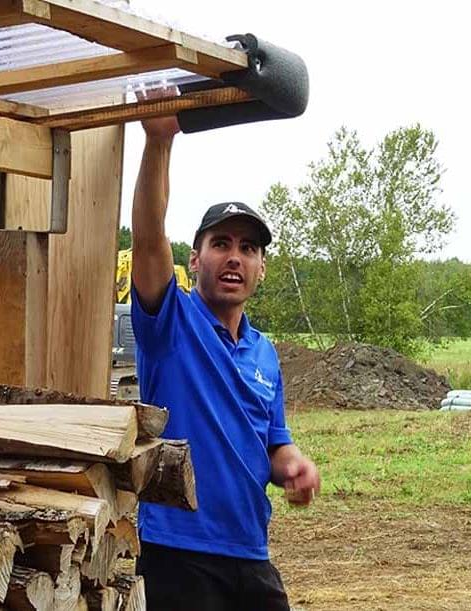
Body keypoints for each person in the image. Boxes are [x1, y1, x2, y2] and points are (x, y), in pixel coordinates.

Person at [128, 94, 321, 611]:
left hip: (250, 550)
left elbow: (274, 444)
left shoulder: (264, 354)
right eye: (221, 244)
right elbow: (148, 236)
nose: (235, 257)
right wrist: (159, 141)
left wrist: (295, 466)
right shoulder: (170, 321)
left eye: (248, 248)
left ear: (261, 268)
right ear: (195, 259)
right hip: (177, 552)